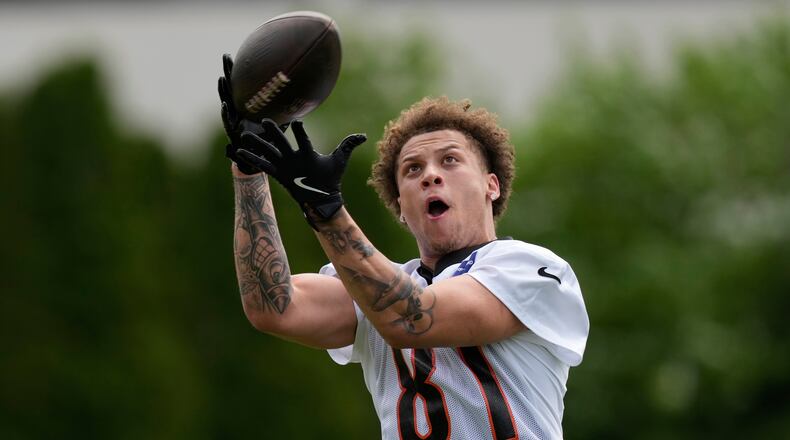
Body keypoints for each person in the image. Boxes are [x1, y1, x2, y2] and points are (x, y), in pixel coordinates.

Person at [218, 54, 589, 440]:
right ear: (399, 205)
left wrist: (326, 211)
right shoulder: (374, 284)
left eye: (450, 160)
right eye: (413, 169)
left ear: (490, 185)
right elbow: (271, 306)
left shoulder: (531, 269)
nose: (430, 175)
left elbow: (412, 318)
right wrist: (249, 168)